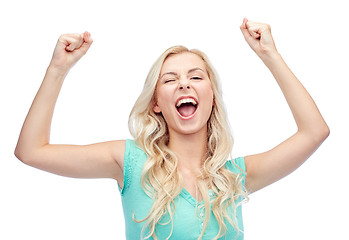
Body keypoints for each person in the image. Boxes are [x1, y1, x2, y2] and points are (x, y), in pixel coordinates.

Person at [14, 18, 329, 240]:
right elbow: (31, 151)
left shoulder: (234, 178)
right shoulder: (130, 161)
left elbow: (315, 132)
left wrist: (269, 55)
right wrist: (57, 69)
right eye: (170, 79)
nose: (183, 84)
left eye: (195, 77)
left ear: (212, 98)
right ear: (156, 104)